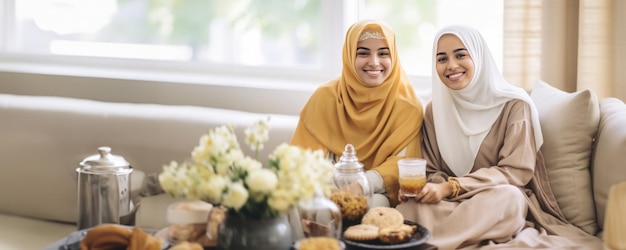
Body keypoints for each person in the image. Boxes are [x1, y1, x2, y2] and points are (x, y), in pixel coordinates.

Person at [396, 25, 603, 249]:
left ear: (479, 56)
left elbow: (516, 171)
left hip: (493, 197)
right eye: (442, 58)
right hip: (448, 203)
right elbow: (432, 169)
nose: (451, 65)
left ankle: (429, 241)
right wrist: (427, 189)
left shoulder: (514, 105)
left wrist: (454, 186)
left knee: (510, 200)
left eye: (461, 55)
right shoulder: (434, 111)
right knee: (408, 208)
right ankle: (458, 236)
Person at [290, 19, 424, 208]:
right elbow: (300, 160)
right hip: (325, 188)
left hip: (377, 191)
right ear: (348, 55)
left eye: (383, 53)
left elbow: (404, 163)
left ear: (394, 56)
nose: (374, 62)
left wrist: (361, 184)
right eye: (363, 53)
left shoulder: (408, 107)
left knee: (372, 207)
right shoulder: (326, 97)